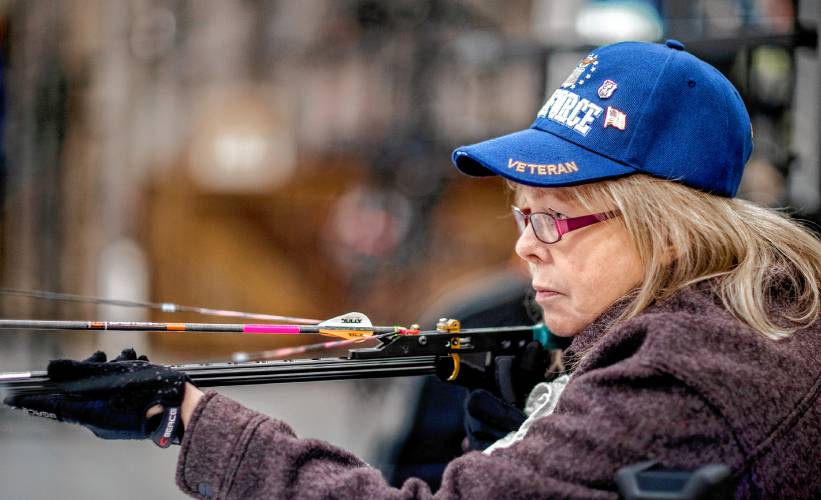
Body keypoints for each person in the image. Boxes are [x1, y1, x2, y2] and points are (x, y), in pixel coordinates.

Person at [5, 40, 821, 499]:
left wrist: (185, 416)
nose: (524, 247)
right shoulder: (746, 318)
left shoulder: (679, 373)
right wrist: (521, 428)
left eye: (553, 219)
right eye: (518, 214)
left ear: (671, 235)